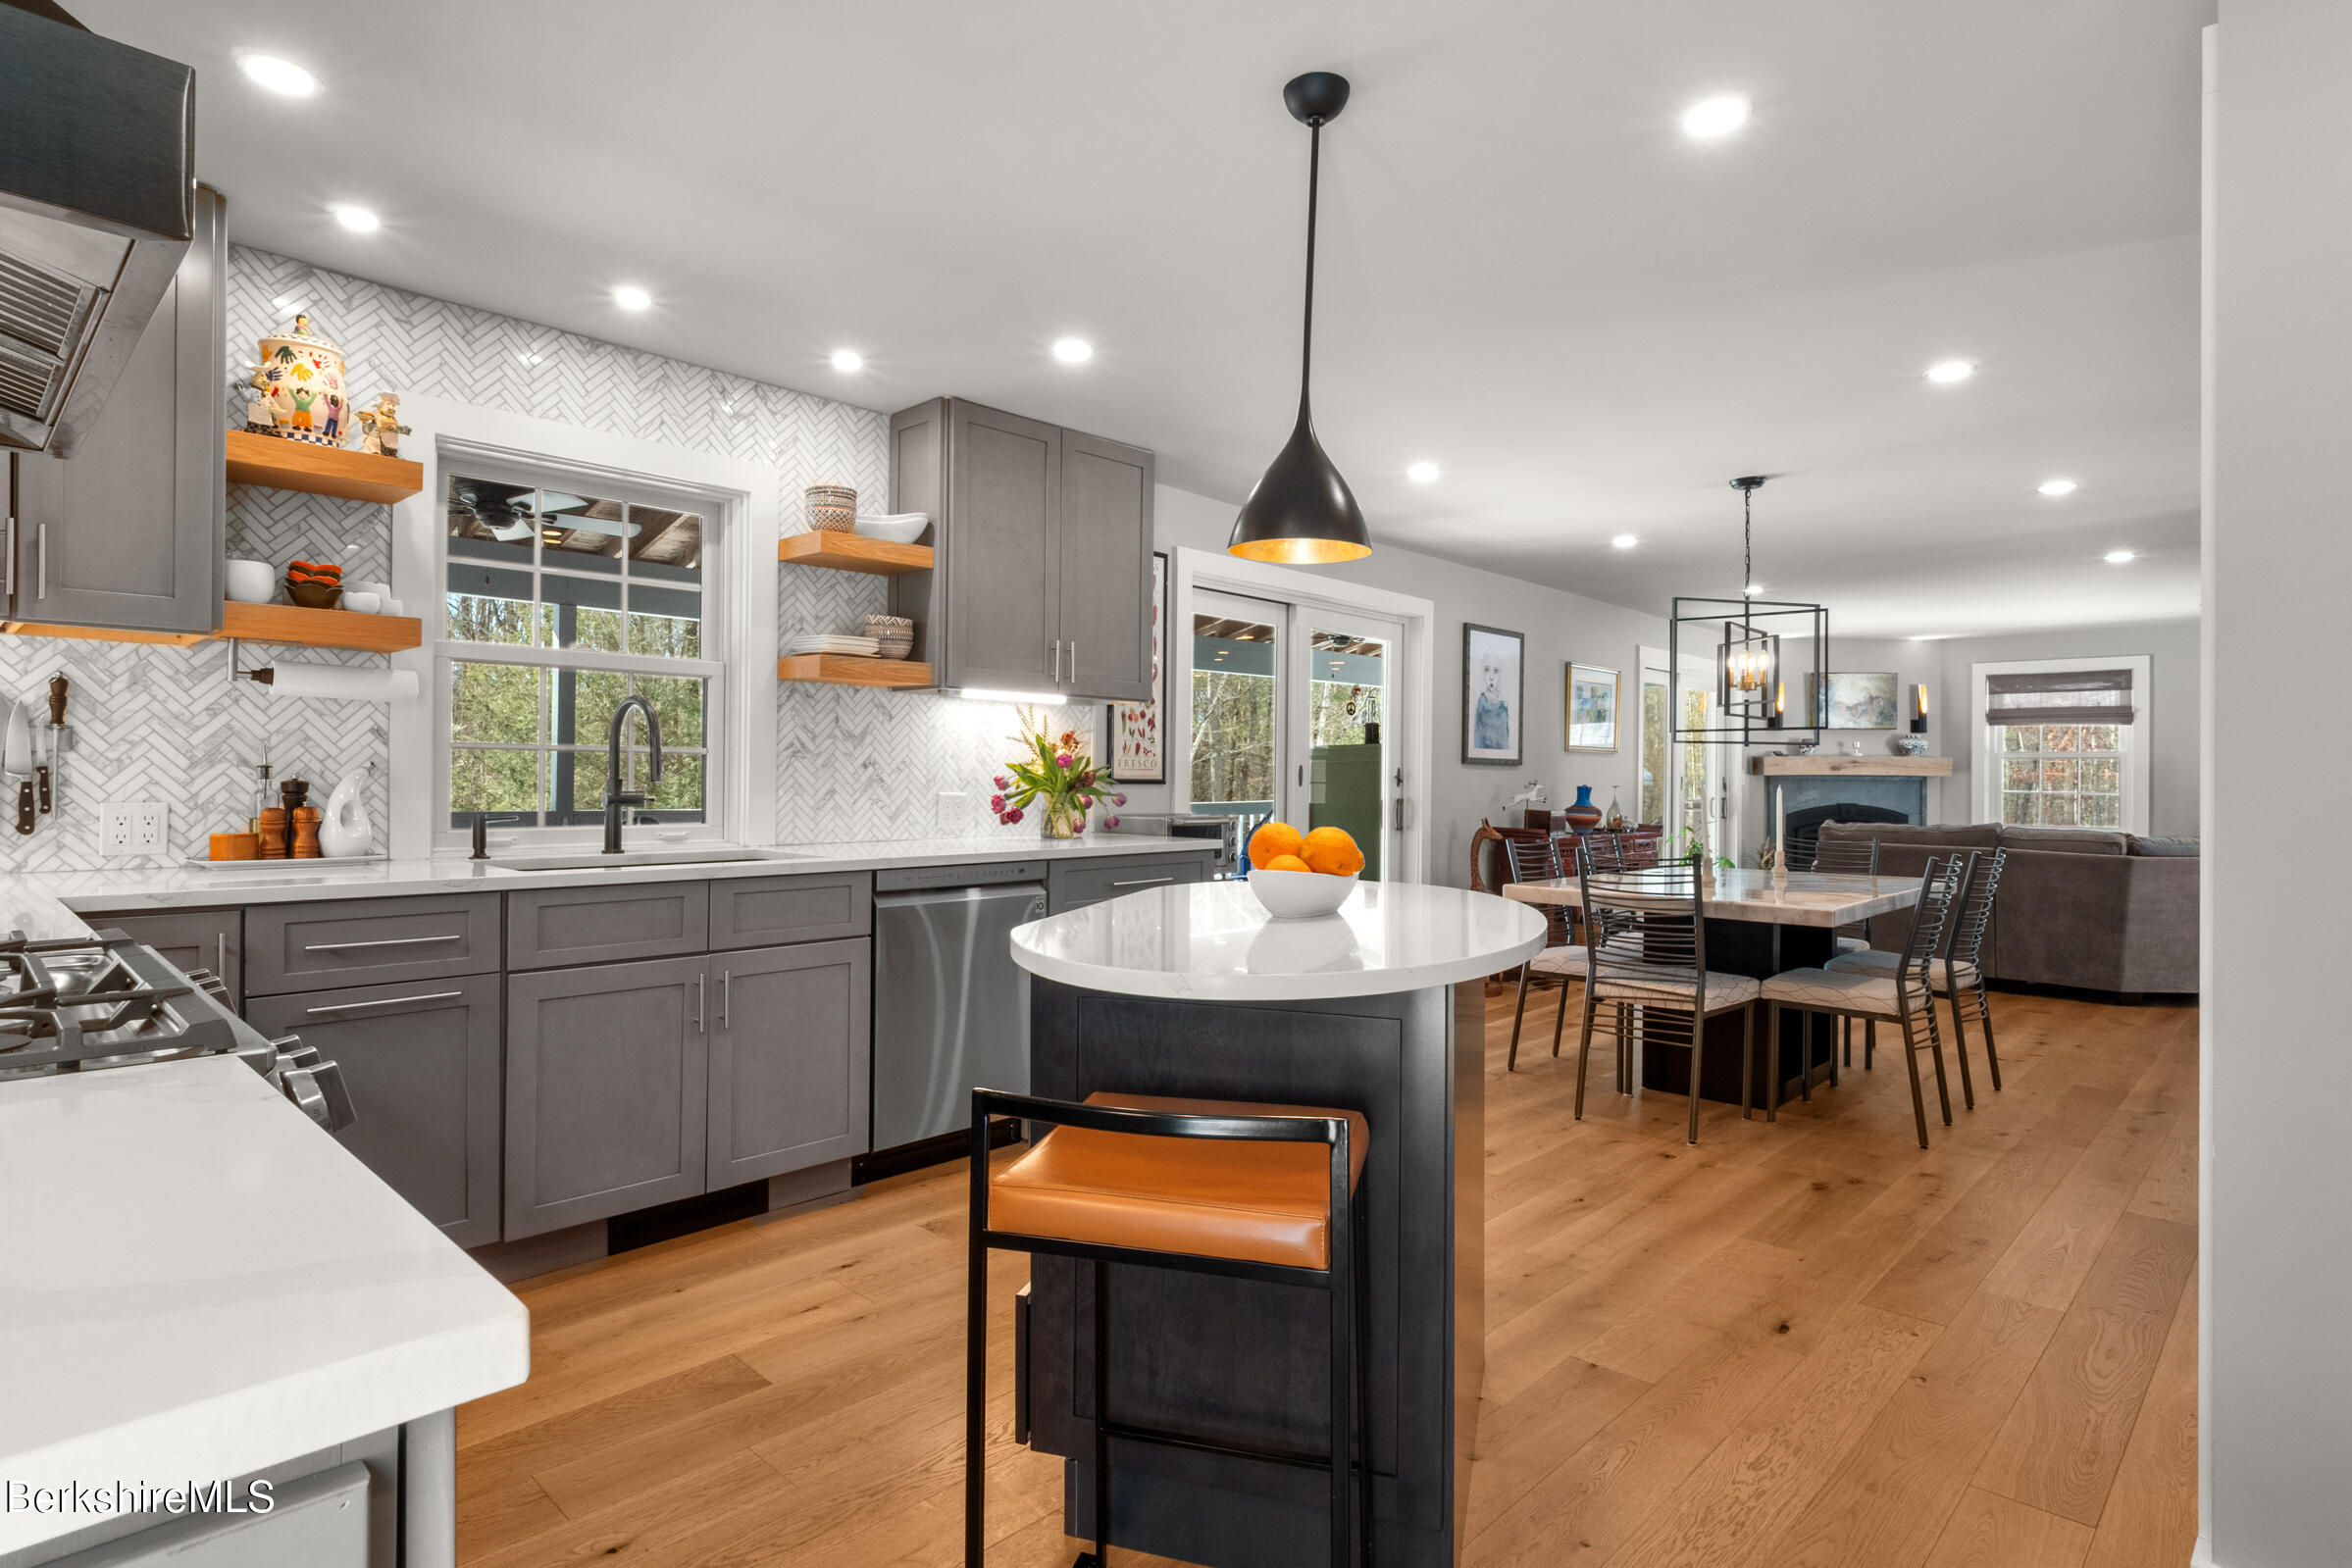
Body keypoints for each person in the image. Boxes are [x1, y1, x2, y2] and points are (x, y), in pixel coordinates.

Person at [1472, 653, 1512, 751]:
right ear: (1483, 673)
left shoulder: (1504, 705)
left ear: (1500, 675)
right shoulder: (1479, 702)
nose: (1491, 677)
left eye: (1495, 671)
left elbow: (1506, 741)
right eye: (1487, 670)